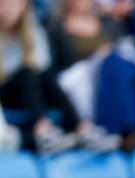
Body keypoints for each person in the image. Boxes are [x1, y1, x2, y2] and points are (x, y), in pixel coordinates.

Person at [48, 0, 135, 151]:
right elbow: (55, 65)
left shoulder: (108, 23)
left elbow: (124, 44)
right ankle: (125, 134)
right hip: (80, 75)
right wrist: (100, 55)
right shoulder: (54, 27)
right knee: (115, 62)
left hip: (114, 68)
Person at [0, 0, 118, 152]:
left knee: (43, 74)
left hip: (28, 89)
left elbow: (42, 64)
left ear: (23, 8)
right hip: (5, 91)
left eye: (13, 5)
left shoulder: (32, 30)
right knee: (27, 73)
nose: (8, 10)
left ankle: (81, 128)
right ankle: (42, 131)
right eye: (3, 5)